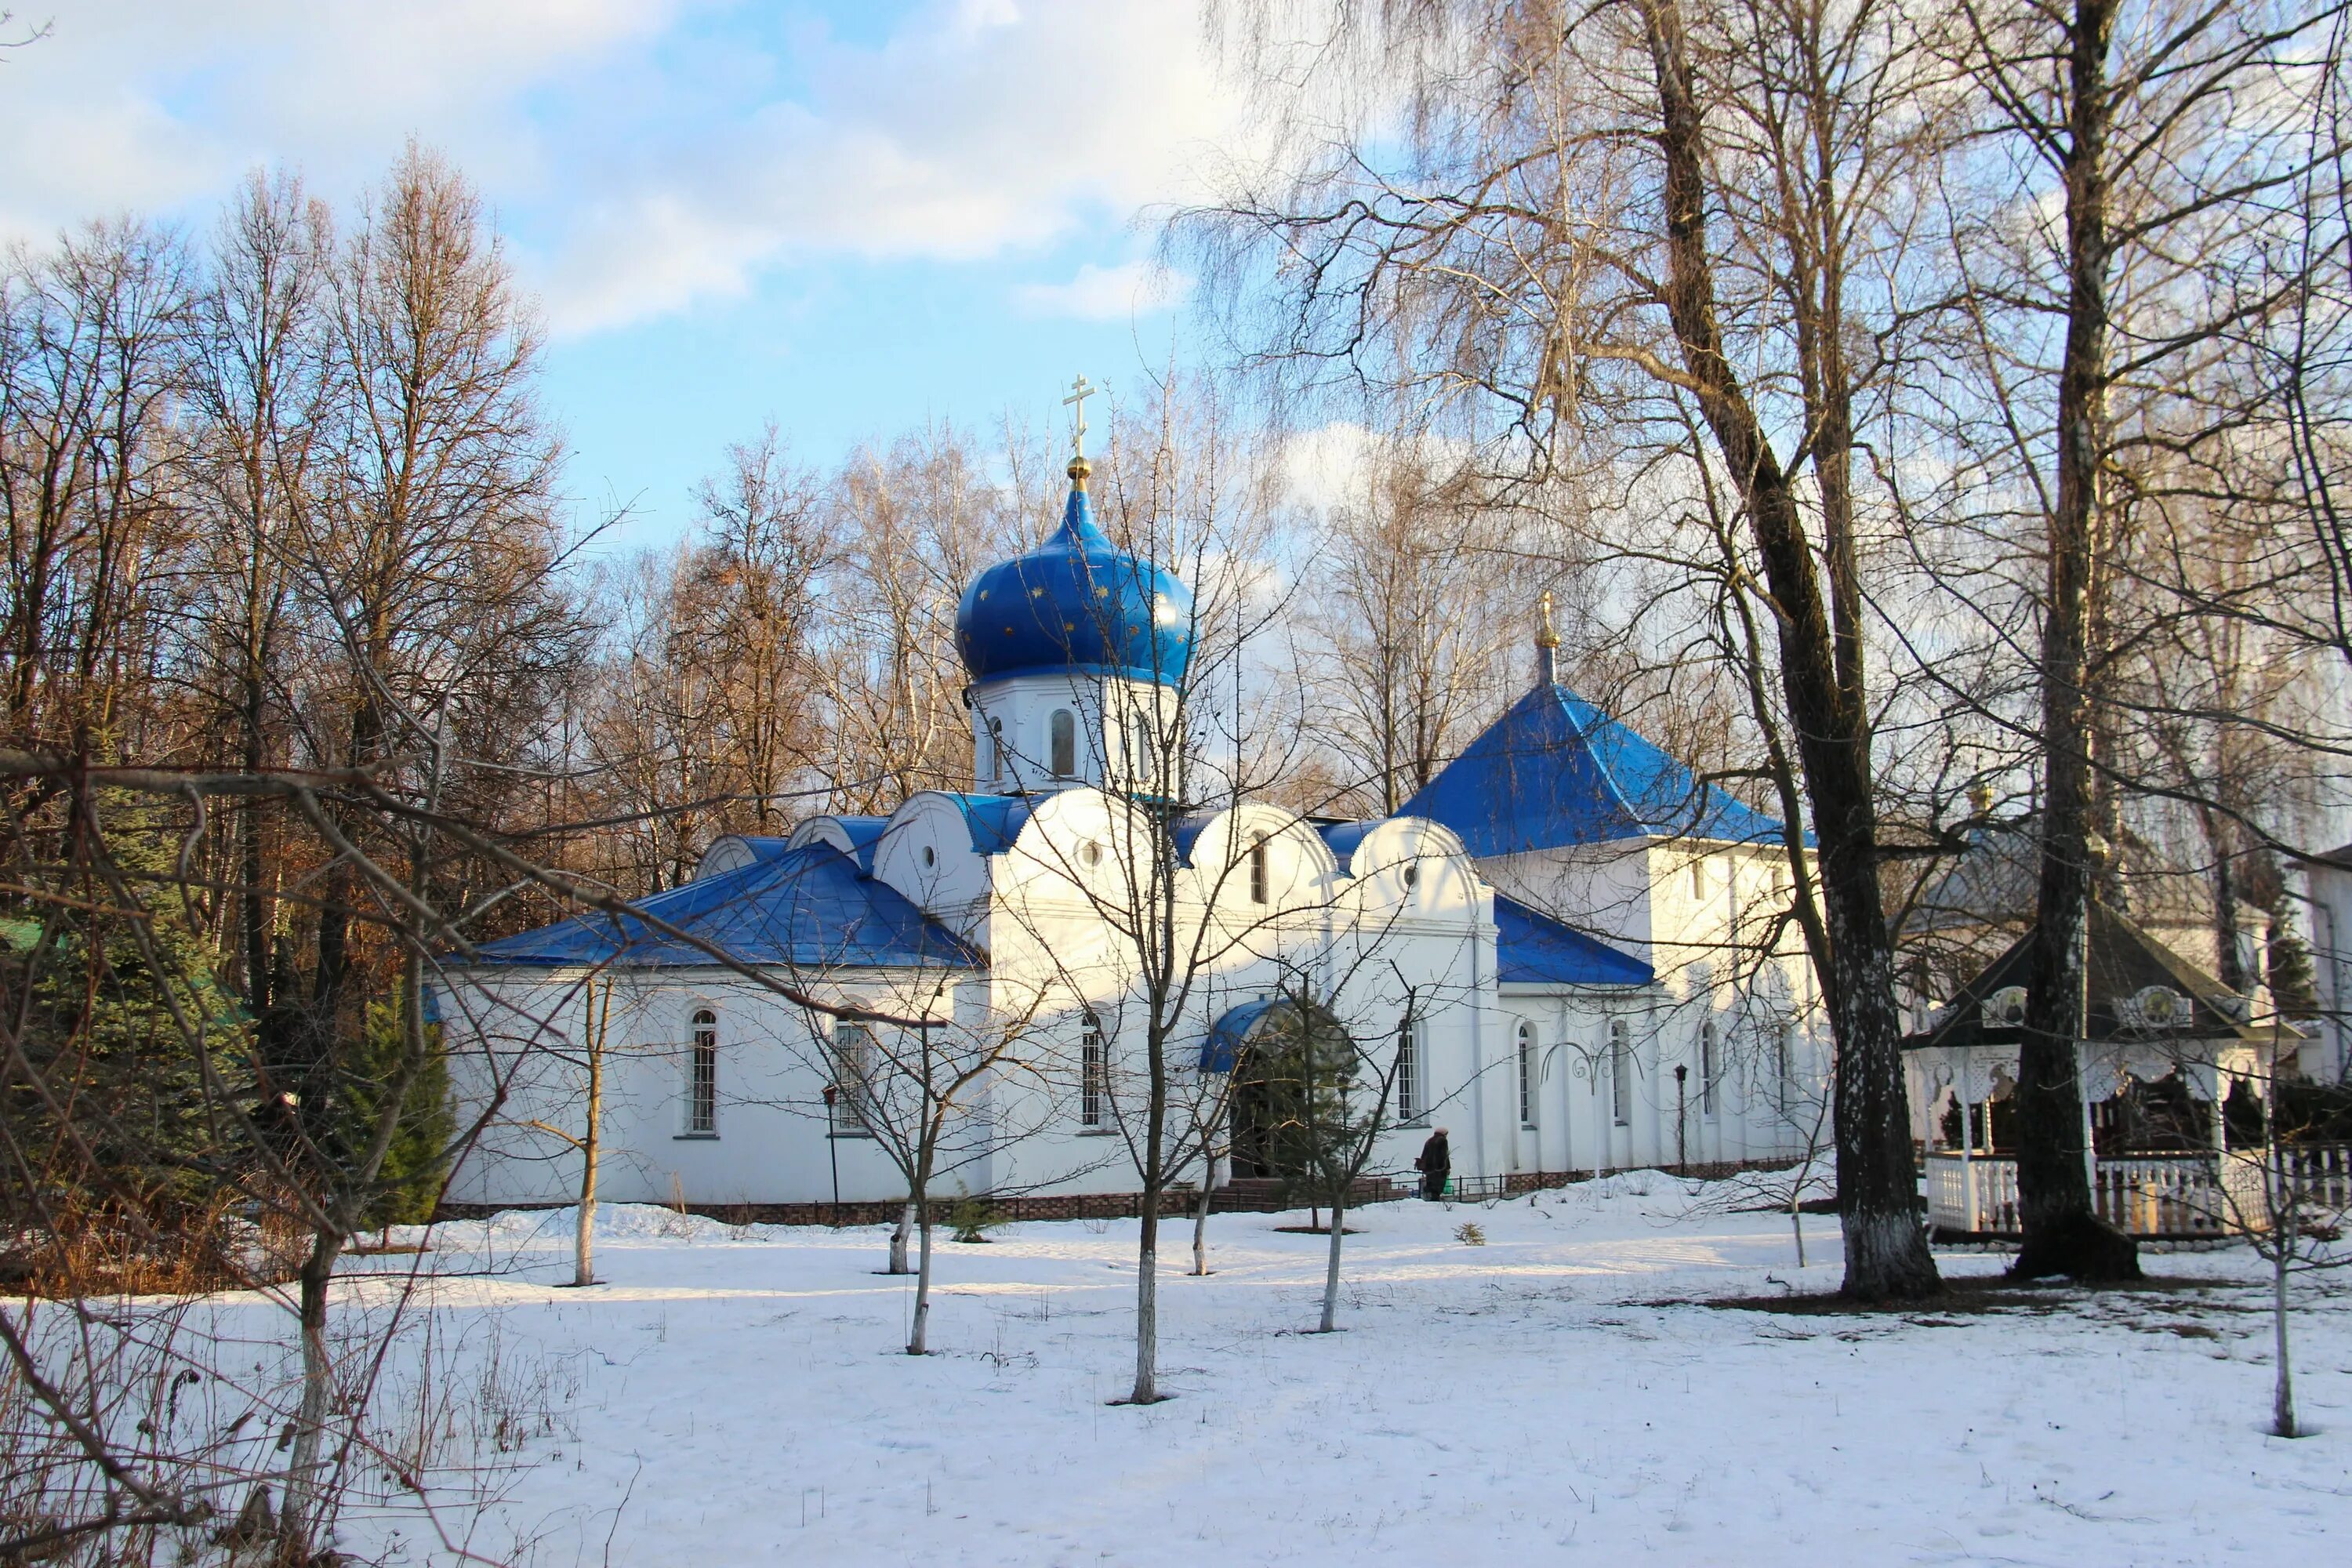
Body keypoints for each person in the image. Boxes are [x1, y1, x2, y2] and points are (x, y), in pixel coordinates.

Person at [1414, 1127, 1451, 1200]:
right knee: (1439, 1184)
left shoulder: (1429, 1140)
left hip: (1430, 1168)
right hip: (1440, 1168)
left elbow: (1424, 1154)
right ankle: (1436, 1199)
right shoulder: (1443, 1140)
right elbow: (1444, 1155)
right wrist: (1447, 1167)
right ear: (1444, 1133)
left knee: (1432, 1183)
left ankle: (1431, 1197)